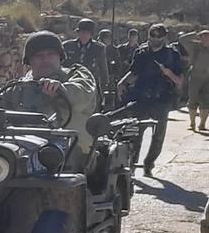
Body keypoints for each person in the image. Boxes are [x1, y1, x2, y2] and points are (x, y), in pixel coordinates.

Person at [0, 31, 99, 166]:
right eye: (39, 56)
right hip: (23, 149)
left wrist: (61, 90)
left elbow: (82, 95)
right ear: (29, 61)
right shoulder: (18, 88)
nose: (45, 60)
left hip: (71, 153)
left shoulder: (76, 75)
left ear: (60, 57)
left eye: (51, 54)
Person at [118, 24, 185, 177]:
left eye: (158, 36)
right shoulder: (141, 52)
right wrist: (122, 82)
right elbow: (133, 72)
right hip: (141, 97)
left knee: (158, 135)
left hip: (161, 98)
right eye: (152, 36)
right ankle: (132, 165)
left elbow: (180, 81)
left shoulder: (171, 55)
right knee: (136, 133)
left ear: (164, 37)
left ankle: (149, 164)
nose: (155, 39)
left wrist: (169, 73)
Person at [62, 18, 111, 99]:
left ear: (91, 34)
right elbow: (62, 65)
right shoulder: (68, 46)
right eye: (82, 32)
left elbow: (103, 69)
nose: (84, 35)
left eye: (87, 33)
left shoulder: (98, 48)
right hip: (71, 83)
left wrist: (105, 86)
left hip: (90, 84)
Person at [178, 30, 209, 131]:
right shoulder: (194, 46)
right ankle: (192, 123)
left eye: (207, 36)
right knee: (192, 100)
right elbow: (182, 40)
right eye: (203, 36)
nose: (206, 39)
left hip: (208, 78)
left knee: (206, 101)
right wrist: (194, 34)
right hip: (195, 76)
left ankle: (202, 124)